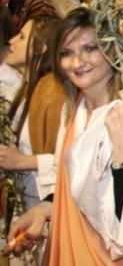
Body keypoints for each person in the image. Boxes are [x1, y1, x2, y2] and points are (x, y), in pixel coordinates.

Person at [6, 8, 123, 263]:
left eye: (90, 48)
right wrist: (45, 209)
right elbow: (82, 189)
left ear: (113, 49)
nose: (77, 62)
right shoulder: (72, 112)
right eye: (66, 53)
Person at [0, 17, 64, 210]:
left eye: (21, 37)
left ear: (41, 47)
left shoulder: (54, 92)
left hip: (44, 202)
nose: (11, 41)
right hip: (26, 198)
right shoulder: (26, 87)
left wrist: (23, 161)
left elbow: (71, 158)